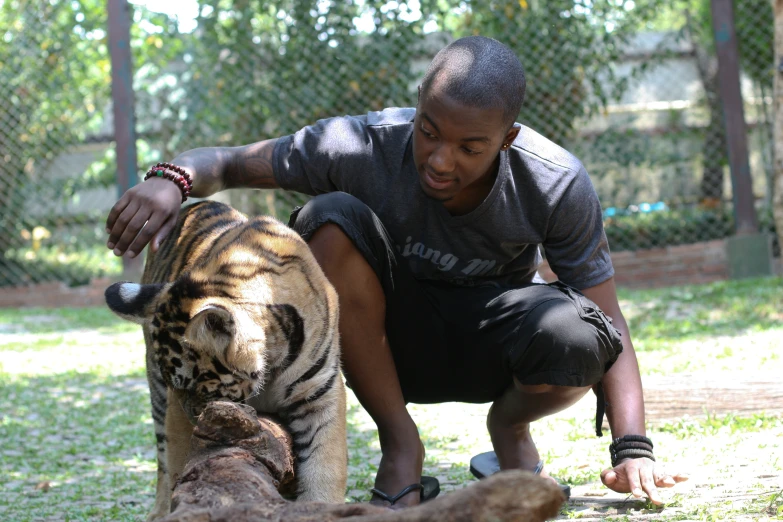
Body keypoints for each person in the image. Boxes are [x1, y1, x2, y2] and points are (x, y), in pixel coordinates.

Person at [106, 36, 687, 509]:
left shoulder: (556, 180)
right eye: (429, 131)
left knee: (580, 334)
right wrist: (170, 178)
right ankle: (399, 444)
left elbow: (608, 316)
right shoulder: (362, 144)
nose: (440, 159)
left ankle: (509, 431)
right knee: (330, 219)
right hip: (383, 344)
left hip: (494, 337)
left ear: (507, 140)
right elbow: (230, 162)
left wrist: (632, 448)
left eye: (469, 147)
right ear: (417, 108)